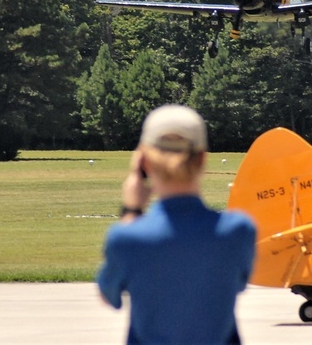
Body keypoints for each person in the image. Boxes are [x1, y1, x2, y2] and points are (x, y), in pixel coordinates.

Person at [96, 104, 256, 345]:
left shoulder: (126, 238)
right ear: (202, 159)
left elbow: (109, 295)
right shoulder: (238, 230)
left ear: (144, 163)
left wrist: (131, 211)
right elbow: (238, 284)